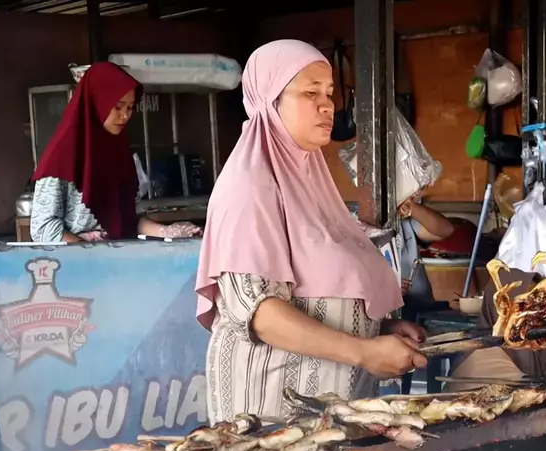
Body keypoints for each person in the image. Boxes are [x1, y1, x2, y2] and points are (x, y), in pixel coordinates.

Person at [195, 40, 428, 424]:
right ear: (271, 100)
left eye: (330, 93)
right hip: (271, 410)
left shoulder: (310, 180)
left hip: (326, 410)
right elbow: (260, 313)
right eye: (309, 92)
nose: (327, 105)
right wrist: (364, 352)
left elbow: (319, 290)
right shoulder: (250, 185)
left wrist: (378, 326)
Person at [30, 62, 201, 243]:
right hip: (77, 264)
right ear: (96, 102)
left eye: (129, 107)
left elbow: (127, 221)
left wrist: (169, 232)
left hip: (117, 260)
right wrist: (93, 254)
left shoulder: (118, 154)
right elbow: (43, 228)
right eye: (118, 106)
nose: (125, 115)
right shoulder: (60, 157)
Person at [397, 191, 455, 309]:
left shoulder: (403, 221)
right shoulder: (357, 225)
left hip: (421, 305)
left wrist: (410, 206)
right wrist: (382, 289)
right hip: (386, 314)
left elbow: (446, 230)